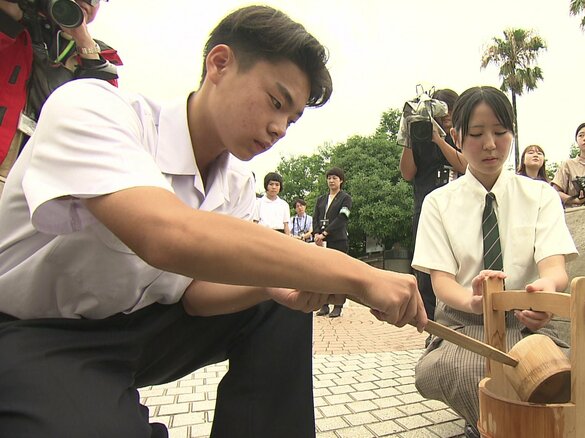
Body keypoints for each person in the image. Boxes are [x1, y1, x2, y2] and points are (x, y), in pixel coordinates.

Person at [0, 6, 426, 437]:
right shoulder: (95, 109)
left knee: (282, 294)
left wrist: (269, 285)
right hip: (36, 335)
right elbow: (167, 235)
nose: (279, 127)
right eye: (276, 102)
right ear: (219, 64)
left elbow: (195, 296)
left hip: (142, 330)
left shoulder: (237, 184)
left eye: (292, 119)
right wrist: (354, 273)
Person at [412, 86, 578, 437]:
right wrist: (473, 301)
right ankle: (494, 426)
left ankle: (493, 427)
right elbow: (441, 283)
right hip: (463, 324)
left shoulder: (541, 195)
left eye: (500, 132)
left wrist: (542, 293)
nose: (490, 144)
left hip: (527, 323)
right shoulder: (438, 203)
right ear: (456, 136)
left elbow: (554, 268)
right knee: (470, 371)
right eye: (476, 133)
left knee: (557, 372)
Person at [0, 0, 121, 197]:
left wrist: (83, 39)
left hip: (45, 179)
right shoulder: (15, 20)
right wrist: (10, 17)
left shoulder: (95, 54)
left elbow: (104, 115)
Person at [400, 88, 468, 321]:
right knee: (425, 270)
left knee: (460, 264)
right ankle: (430, 326)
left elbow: (465, 166)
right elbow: (407, 173)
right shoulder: (420, 135)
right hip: (425, 208)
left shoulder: (460, 134)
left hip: (458, 207)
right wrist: (409, 136)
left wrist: (439, 140)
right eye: (441, 108)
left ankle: (460, 318)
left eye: (449, 107)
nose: (446, 113)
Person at [313, 167, 352, 318]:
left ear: (341, 180)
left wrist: (325, 233)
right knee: (322, 274)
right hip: (320, 242)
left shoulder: (345, 198)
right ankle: (323, 305)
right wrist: (317, 233)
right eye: (329, 178)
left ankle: (338, 305)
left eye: (334, 178)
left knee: (339, 274)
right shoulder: (321, 199)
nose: (331, 181)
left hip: (338, 240)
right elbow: (315, 217)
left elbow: (343, 217)